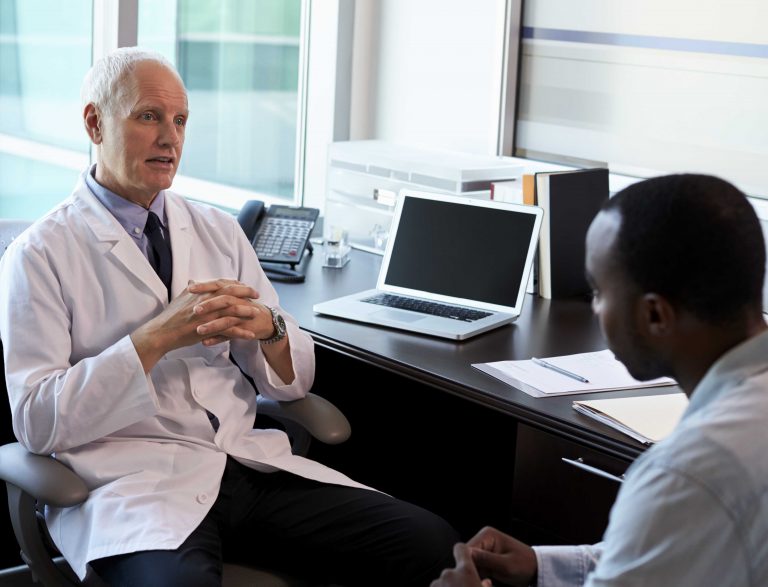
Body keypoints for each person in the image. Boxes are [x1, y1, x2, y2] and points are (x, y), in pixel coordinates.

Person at [0, 47, 458, 586]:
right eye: (149, 116)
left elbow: (292, 386)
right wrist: (153, 339)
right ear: (95, 123)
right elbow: (36, 421)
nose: (170, 139)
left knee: (436, 547)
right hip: (133, 485)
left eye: (180, 121)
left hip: (243, 465)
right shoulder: (38, 255)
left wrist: (271, 328)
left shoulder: (217, 230)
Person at [432, 173, 768, 587]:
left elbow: (678, 517)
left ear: (655, 315)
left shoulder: (688, 472)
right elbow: (675, 548)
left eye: (598, 292)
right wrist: (542, 563)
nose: (594, 310)